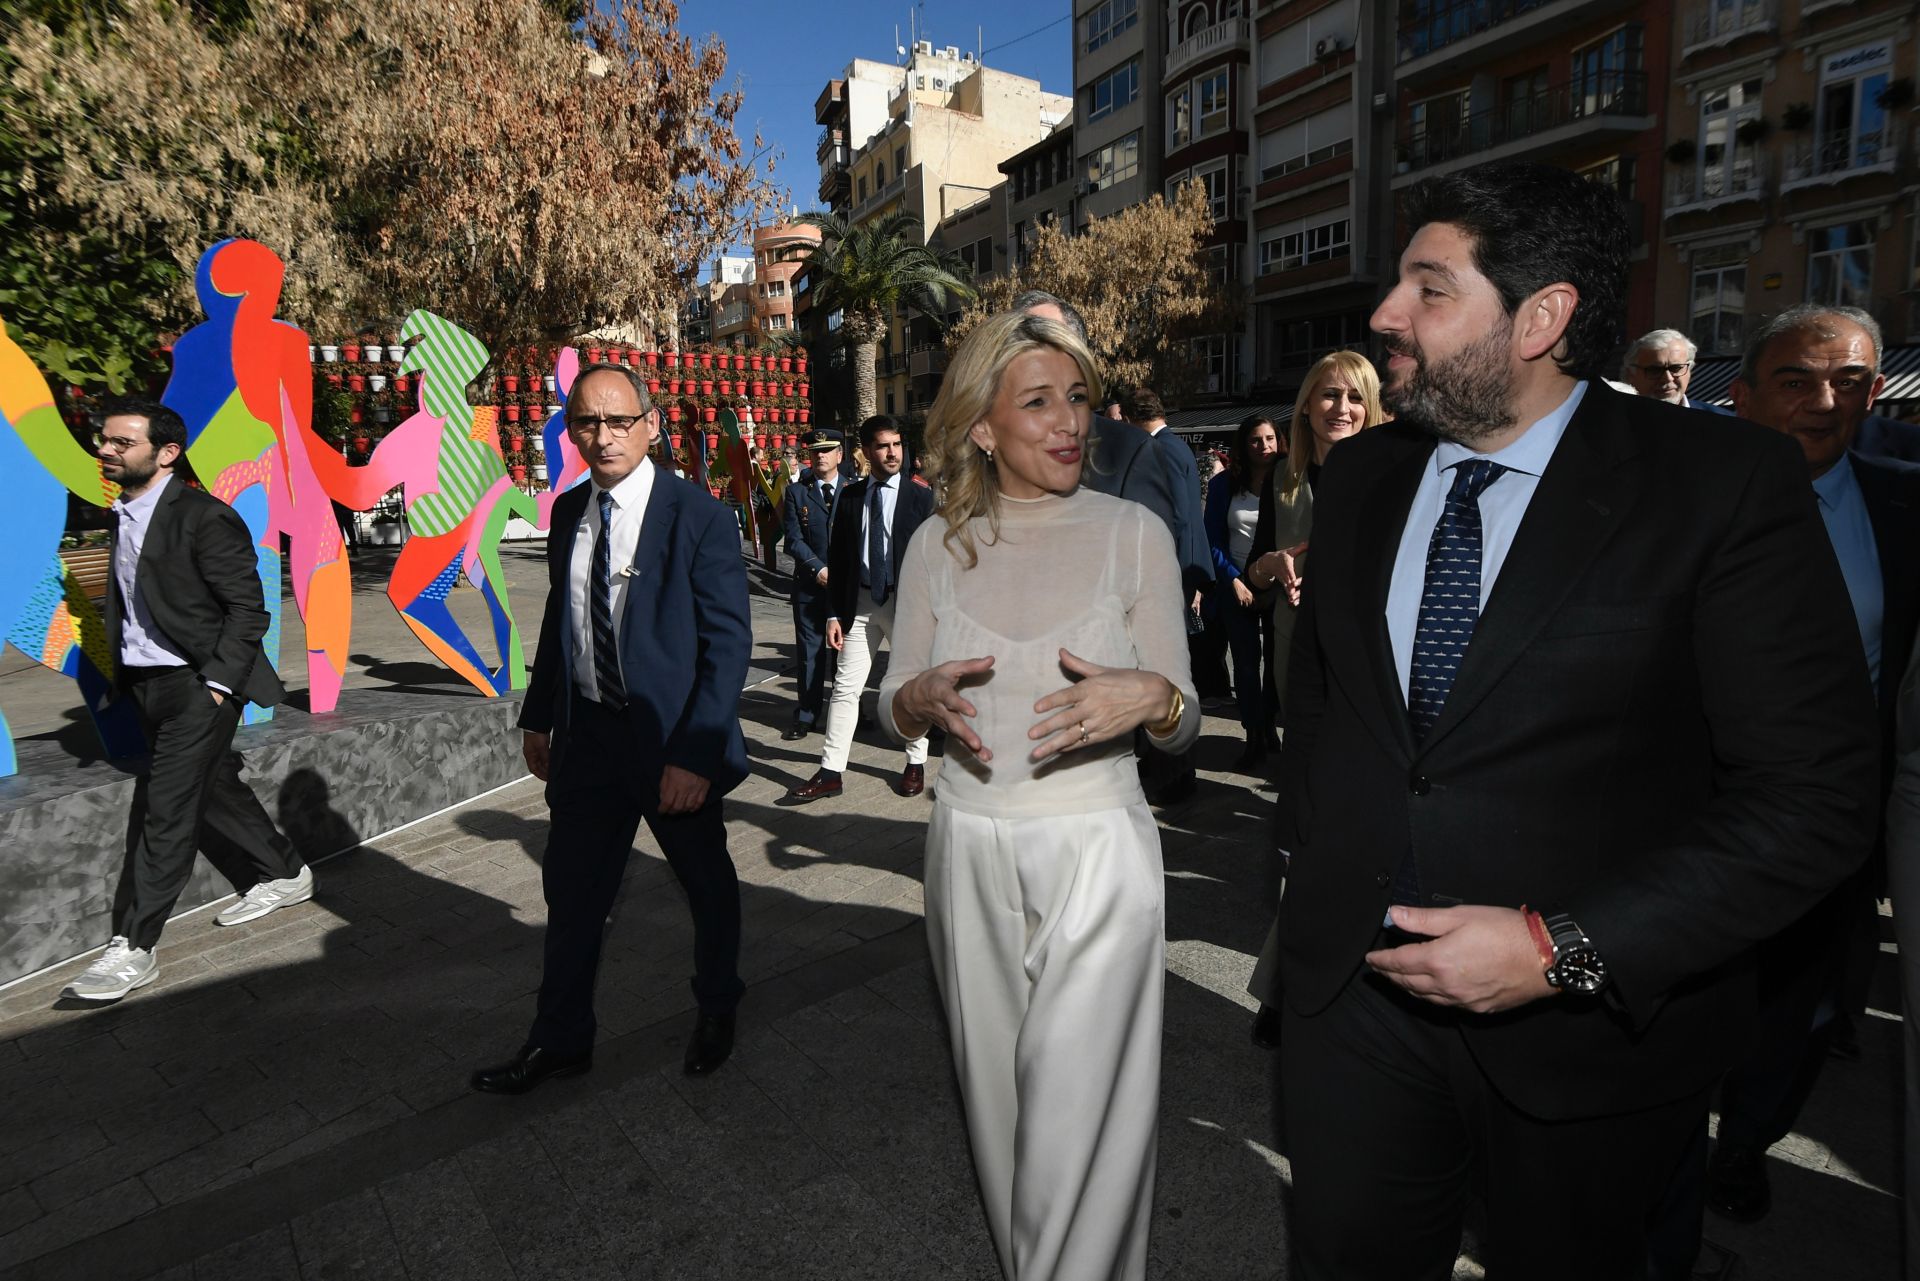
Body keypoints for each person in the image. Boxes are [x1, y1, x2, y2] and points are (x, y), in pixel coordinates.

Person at [1273, 160, 1878, 1280]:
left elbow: (1817, 795)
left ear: (1543, 317)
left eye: (1429, 288)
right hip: (1352, 1009)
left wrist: (1567, 948)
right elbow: (1324, 710)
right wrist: (1312, 868)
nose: (1384, 316)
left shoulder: (1720, 482)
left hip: (1593, 1040)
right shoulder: (1361, 479)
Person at [880, 310, 1198, 1280]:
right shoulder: (937, 546)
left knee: (1079, 1125)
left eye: (1078, 398)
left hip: (1099, 848)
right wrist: (918, 702)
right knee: (1005, 1123)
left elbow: (1185, 724)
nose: (1071, 422)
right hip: (967, 842)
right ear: (982, 424)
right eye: (1039, 401)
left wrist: (1155, 696)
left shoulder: (1132, 533)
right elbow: (896, 706)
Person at [1700, 305, 1920, 1226]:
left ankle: (1744, 1144)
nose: (1826, 402)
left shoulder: (1908, 504)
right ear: (1742, 393)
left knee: (1804, 1013)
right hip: (1689, 814)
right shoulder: (1668, 500)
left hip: (1836, 833)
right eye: (1797, 380)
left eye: (1853, 382)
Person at [473, 363, 750, 1095]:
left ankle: (719, 1005)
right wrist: (540, 715)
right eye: (587, 423)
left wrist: (694, 753)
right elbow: (563, 616)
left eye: (619, 420)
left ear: (650, 424)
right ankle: (560, 1039)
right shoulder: (569, 512)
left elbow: (728, 648)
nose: (604, 436)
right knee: (572, 895)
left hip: (668, 740)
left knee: (705, 883)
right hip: (589, 738)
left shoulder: (699, 515)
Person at [62, 399, 312, 1003]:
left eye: (123, 442)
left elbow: (249, 609)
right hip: (146, 687)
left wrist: (218, 685)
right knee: (215, 788)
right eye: (105, 440)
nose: (106, 450)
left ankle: (135, 948)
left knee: (167, 809)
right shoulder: (120, 514)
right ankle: (286, 872)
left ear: (166, 452)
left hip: (199, 686)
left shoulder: (203, 517)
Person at [1241, 349, 1384, 1049]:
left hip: (1374, 676)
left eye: (1354, 396)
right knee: (1306, 825)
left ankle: (1288, 981)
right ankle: (1294, 979)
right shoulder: (1288, 479)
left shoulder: (1396, 472)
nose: (1341, 408)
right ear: (1306, 406)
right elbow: (1258, 567)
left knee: (1334, 828)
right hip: (1303, 665)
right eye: (1327, 395)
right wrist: (1279, 562)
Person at [786, 415, 935, 803]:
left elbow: (937, 557)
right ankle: (831, 772)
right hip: (861, 605)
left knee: (907, 688)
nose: (892, 453)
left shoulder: (921, 497)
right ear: (867, 452)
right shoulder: (851, 498)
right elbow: (840, 559)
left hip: (907, 606)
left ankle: (915, 762)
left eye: (897, 445)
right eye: (884, 446)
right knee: (845, 690)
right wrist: (835, 613)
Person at [1011, 291, 1178, 536]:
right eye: (1016, 342)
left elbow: (1151, 566)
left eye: (1042, 341)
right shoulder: (988, 450)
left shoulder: (1130, 453)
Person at [1203, 413, 1283, 771]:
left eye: (1269, 439)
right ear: (1243, 445)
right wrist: (1233, 578)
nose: (1263, 446)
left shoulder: (1289, 480)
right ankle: (1253, 734)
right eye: (1255, 440)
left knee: (1277, 666)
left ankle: (1269, 725)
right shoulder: (1224, 485)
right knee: (1247, 665)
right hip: (1238, 583)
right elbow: (1214, 539)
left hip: (1280, 584)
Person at [780, 429, 845, 742]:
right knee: (810, 654)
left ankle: (850, 713)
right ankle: (806, 715)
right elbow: (792, 539)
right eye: (816, 451)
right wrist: (818, 568)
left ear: (839, 455)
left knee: (847, 655)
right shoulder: (797, 492)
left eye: (828, 450)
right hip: (809, 586)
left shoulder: (854, 490)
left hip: (845, 588)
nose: (821, 456)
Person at [1620, 328, 1728, 413]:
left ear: (1689, 370)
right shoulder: (1611, 423)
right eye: (1655, 370)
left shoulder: (1722, 421)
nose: (1667, 378)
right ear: (1630, 375)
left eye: (1676, 368)